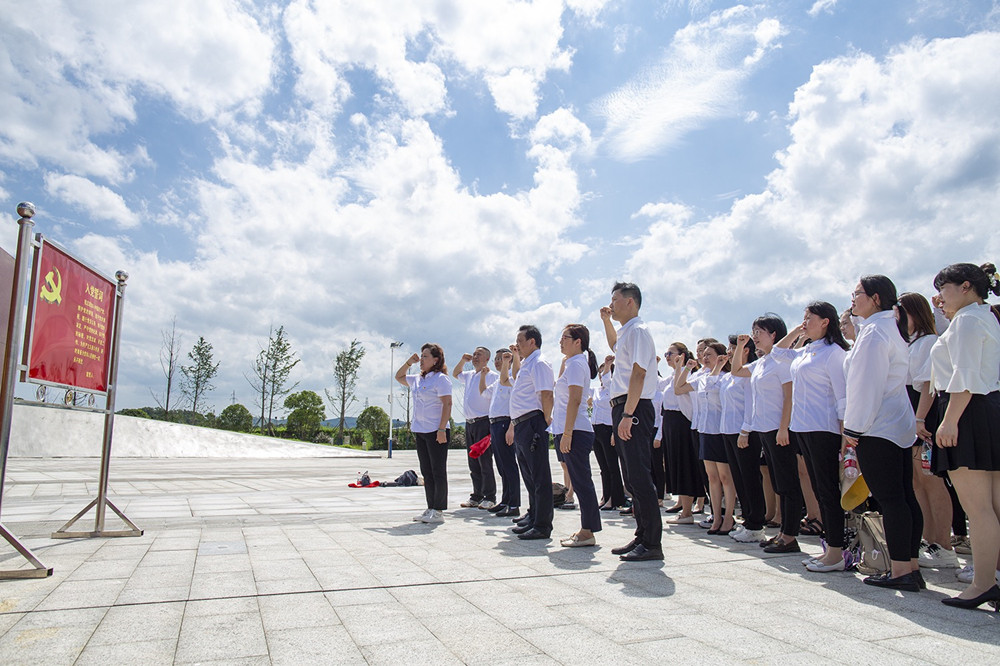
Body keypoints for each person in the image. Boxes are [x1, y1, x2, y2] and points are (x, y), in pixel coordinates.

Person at [844, 275, 922, 592]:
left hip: (877, 426)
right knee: (904, 497)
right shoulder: (887, 327)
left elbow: (866, 385)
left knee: (891, 499)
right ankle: (911, 566)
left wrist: (853, 428)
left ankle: (901, 569)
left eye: (857, 293)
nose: (852, 299)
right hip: (895, 423)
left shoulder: (874, 332)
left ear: (875, 298)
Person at [930, 262, 1000, 610]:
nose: (940, 297)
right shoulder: (984, 316)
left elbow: (965, 375)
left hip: (967, 410)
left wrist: (949, 421)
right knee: (994, 507)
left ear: (966, 286)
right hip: (988, 409)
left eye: (944, 288)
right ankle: (991, 579)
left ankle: (983, 583)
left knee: (978, 509)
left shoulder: (969, 321)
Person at [771, 302, 850, 572]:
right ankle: (829, 548)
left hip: (824, 428)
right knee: (818, 490)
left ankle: (837, 552)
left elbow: (842, 397)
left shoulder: (834, 353)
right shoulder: (805, 350)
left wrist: (844, 436)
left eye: (809, 318)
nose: (805, 322)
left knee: (828, 491)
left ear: (826, 321)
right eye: (803, 318)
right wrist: (797, 330)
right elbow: (778, 352)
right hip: (802, 428)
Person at [896, 292, 958, 569]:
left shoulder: (928, 342)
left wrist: (919, 420)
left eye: (901, 313)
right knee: (917, 482)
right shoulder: (908, 343)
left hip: (924, 419)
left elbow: (927, 388)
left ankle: (944, 544)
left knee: (931, 480)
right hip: (909, 419)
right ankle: (927, 538)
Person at [603, 282, 663, 561]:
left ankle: (652, 543)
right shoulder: (627, 332)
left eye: (615, 299)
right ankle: (641, 535)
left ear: (631, 302)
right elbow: (615, 345)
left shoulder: (639, 330)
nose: (611, 304)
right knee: (631, 476)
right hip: (623, 406)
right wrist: (606, 321)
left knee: (639, 476)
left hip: (634, 406)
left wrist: (628, 414)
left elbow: (638, 373)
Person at [732, 315, 796, 554]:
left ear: (774, 335)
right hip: (764, 430)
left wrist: (783, 427)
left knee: (788, 483)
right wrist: (740, 346)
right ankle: (782, 533)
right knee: (779, 483)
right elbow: (737, 370)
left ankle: (789, 535)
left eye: (760, 331)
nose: (755, 336)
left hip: (779, 430)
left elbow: (789, 397)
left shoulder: (782, 363)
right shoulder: (761, 363)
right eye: (754, 331)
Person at [675, 342, 737, 535]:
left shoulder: (726, 377)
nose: (706, 357)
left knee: (726, 477)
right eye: (705, 354)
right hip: (704, 430)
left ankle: (728, 517)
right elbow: (679, 388)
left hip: (721, 431)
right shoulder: (701, 378)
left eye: (710, 354)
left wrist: (719, 367)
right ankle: (716, 516)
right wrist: (686, 368)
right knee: (712, 477)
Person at [553, 324, 602, 547]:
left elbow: (574, 399)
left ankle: (588, 531)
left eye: (565, 338)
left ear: (578, 342)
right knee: (581, 481)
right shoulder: (572, 363)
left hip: (576, 430)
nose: (561, 342)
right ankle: (587, 529)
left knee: (582, 482)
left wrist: (567, 433)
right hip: (573, 429)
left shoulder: (575, 364)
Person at [507, 325, 555, 540]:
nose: (517, 344)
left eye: (520, 340)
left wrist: (545, 420)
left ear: (532, 341)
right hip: (521, 424)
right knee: (528, 473)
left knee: (539, 475)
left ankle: (543, 524)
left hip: (533, 422)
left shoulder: (540, 363)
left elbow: (546, 394)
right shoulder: (528, 363)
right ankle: (534, 514)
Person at [395, 344, 452, 524]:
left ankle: (439, 510)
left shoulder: (441, 379)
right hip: (420, 430)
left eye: (425, 356)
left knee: (438, 471)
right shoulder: (418, 379)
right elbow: (399, 377)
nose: (421, 360)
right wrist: (408, 363)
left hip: (436, 430)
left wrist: (442, 428)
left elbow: (447, 404)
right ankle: (430, 507)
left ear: (436, 360)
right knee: (426, 471)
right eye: (421, 356)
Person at [720, 334, 767, 543]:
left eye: (733, 348)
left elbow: (751, 404)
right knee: (739, 478)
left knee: (749, 478)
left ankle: (756, 524)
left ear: (745, 350)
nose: (729, 353)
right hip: (729, 431)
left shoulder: (748, 375)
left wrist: (745, 431)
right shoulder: (730, 376)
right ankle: (747, 520)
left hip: (744, 432)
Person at [454, 347, 498, 509]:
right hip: (470, 423)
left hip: (484, 422)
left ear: (487, 359)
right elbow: (456, 373)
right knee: (473, 462)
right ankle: (477, 495)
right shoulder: (470, 375)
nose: (475, 357)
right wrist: (462, 361)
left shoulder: (492, 376)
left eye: (479, 355)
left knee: (484, 461)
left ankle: (490, 496)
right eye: (474, 355)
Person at [663, 343, 702, 524]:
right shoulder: (671, 377)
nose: (668, 357)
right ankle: (682, 505)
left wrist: (682, 367)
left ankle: (687, 511)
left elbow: (684, 397)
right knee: (675, 464)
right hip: (670, 422)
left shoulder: (689, 376)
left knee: (684, 464)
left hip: (682, 421)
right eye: (667, 354)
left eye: (671, 353)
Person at [480, 349, 520, 517]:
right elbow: (483, 392)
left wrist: (512, 427)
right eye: (496, 359)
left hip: (506, 423)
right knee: (502, 465)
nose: (498, 361)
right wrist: (482, 375)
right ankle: (505, 500)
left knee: (510, 465)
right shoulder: (498, 381)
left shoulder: (512, 378)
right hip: (495, 424)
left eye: (503, 358)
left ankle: (514, 504)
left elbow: (515, 404)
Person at [592, 356, 627, 511]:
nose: (601, 375)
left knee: (612, 466)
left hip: (608, 429)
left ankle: (616, 498)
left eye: (604, 372)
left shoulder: (613, 387)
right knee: (603, 467)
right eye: (600, 373)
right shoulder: (597, 391)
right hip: (596, 429)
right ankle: (606, 496)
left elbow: (615, 412)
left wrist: (608, 365)